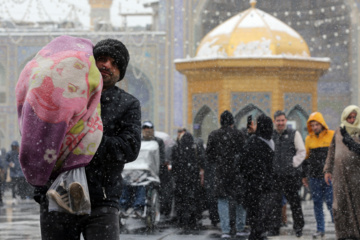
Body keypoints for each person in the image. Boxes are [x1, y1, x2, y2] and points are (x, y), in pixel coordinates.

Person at [34, 38, 141, 240]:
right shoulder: (64, 94)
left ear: (120, 73)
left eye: (114, 63)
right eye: (102, 59)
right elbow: (40, 139)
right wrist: (40, 188)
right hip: (58, 195)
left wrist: (87, 140)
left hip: (102, 200)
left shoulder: (127, 104)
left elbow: (130, 148)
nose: (107, 65)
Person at [206, 110, 248, 240]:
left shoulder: (214, 135)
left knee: (222, 200)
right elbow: (245, 153)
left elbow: (209, 156)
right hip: (237, 173)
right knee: (240, 201)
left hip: (221, 173)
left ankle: (225, 230)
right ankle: (240, 228)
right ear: (232, 122)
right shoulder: (239, 135)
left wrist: (219, 162)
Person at [324, 105, 360, 240]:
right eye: (348, 117)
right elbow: (332, 151)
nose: (351, 120)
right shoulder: (339, 131)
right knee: (339, 205)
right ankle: (343, 234)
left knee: (356, 205)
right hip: (340, 175)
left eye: (353, 117)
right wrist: (328, 169)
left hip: (356, 176)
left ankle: (356, 233)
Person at [239, 114, 275, 240]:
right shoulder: (271, 142)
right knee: (262, 221)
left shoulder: (253, 143)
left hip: (254, 188)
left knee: (255, 224)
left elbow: (241, 164)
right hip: (266, 187)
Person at [270, 110, 306, 237]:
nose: (280, 123)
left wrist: (292, 163)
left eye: (282, 120)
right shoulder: (271, 135)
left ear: (286, 121)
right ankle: (274, 227)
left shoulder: (293, 134)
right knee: (275, 203)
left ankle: (298, 227)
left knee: (294, 202)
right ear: (274, 121)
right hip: (275, 176)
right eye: (278, 120)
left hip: (290, 176)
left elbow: (302, 152)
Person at [119, 120, 165, 217]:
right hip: (134, 171)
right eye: (145, 128)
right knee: (125, 184)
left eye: (149, 128)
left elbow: (160, 158)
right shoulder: (138, 141)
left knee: (142, 186)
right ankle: (123, 206)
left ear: (152, 129)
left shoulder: (158, 142)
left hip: (148, 173)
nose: (147, 130)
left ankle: (138, 207)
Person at [302, 112, 334, 238]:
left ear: (322, 124)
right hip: (314, 176)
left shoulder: (331, 136)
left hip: (329, 176)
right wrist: (304, 175)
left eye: (317, 124)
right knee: (317, 203)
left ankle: (338, 225)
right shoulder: (309, 139)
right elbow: (306, 159)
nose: (315, 127)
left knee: (332, 202)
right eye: (313, 125)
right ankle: (320, 229)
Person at [171, 128, 202, 231]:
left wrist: (175, 175)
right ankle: (193, 219)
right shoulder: (195, 148)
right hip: (193, 178)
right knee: (192, 199)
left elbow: (174, 164)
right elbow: (200, 162)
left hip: (181, 179)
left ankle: (182, 220)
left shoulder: (177, 148)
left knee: (181, 200)